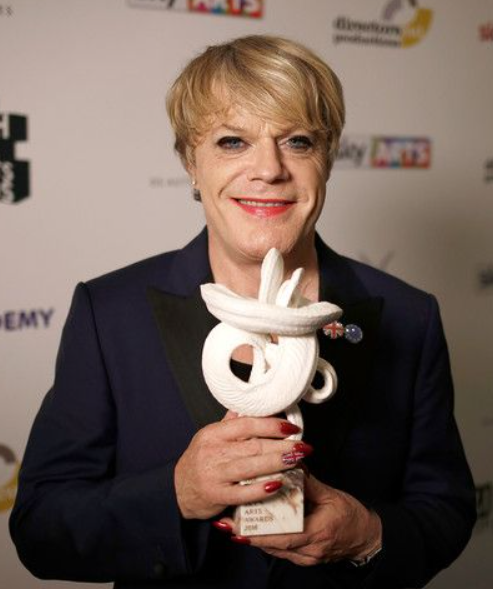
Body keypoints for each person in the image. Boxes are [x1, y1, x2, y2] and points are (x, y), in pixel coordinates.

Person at [10, 35, 475, 589]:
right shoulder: (109, 313)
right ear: (190, 162)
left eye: (297, 141)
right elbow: (41, 527)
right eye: (233, 142)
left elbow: (444, 510)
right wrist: (177, 493)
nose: (269, 169)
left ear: (326, 159)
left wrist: (368, 533)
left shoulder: (408, 315)